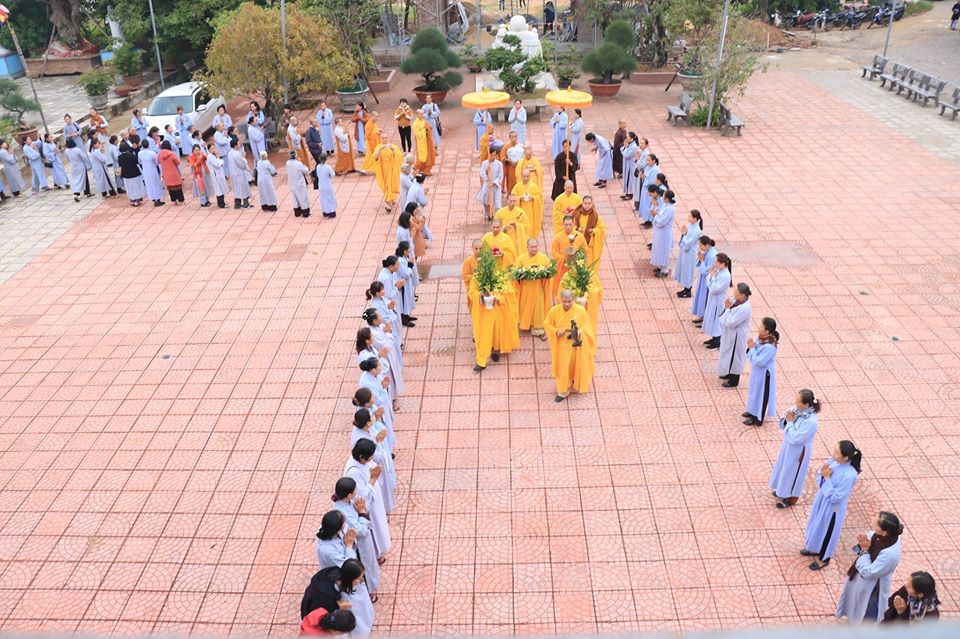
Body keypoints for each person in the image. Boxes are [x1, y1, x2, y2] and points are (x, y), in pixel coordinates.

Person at [802, 440, 863, 570]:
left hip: (832, 509)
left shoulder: (849, 475)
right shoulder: (834, 461)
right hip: (822, 500)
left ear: (845, 458)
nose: (833, 454)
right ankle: (814, 547)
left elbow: (836, 497)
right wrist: (824, 478)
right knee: (817, 525)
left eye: (836, 452)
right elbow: (820, 475)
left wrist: (827, 480)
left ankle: (824, 558)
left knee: (828, 531)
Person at [836, 512, 904, 624]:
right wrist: (862, 542)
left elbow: (869, 573)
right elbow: (867, 543)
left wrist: (864, 550)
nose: (872, 521)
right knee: (855, 601)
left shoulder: (890, 554)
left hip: (873, 587)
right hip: (860, 577)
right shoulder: (879, 535)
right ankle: (852, 621)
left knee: (866, 610)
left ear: (885, 531)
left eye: (876, 522)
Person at [544, 290, 597, 402]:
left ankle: (574, 379)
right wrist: (556, 331)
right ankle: (563, 390)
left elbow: (587, 327)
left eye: (569, 301)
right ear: (560, 299)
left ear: (573, 299)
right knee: (563, 367)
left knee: (575, 364)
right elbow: (547, 324)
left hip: (576, 345)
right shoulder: (554, 311)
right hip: (562, 345)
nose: (567, 304)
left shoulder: (580, 311)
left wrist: (580, 332)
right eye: (564, 301)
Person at [468, 259, 519, 372]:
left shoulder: (500, 276)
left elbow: (508, 292)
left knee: (496, 333)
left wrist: (496, 297)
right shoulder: (476, 278)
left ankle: (495, 350)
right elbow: (472, 294)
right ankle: (481, 361)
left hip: (497, 311)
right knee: (483, 335)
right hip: (483, 313)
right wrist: (482, 295)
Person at [331, 476, 380, 593]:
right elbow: (361, 531)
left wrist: (362, 510)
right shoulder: (343, 512)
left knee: (370, 564)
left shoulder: (349, 500)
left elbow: (364, 504)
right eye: (354, 491)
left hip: (364, 537)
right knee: (365, 566)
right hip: (360, 544)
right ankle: (370, 590)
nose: (356, 492)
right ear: (348, 495)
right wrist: (362, 512)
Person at [741, 317, 779, 425]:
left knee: (761, 394)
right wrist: (752, 348)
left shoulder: (770, 346)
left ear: (767, 331)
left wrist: (752, 348)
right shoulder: (762, 338)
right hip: (757, 372)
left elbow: (759, 361)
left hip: (764, 374)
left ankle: (758, 418)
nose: (759, 327)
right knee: (754, 391)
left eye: (761, 326)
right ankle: (752, 411)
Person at [515, 238, 553, 339]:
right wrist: (521, 273)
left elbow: (550, 270)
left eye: (536, 246)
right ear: (527, 247)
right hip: (526, 290)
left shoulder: (543, 258)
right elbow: (515, 272)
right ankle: (525, 324)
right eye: (532, 247)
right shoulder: (521, 258)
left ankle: (538, 328)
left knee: (538, 309)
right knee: (525, 307)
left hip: (538, 289)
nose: (534, 249)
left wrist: (546, 273)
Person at [716, 282, 752, 387]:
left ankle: (733, 380)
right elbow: (729, 303)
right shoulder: (737, 300)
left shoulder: (745, 308)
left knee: (735, 357)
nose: (734, 294)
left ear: (743, 295)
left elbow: (731, 322)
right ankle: (727, 372)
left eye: (736, 292)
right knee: (727, 353)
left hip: (737, 335)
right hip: (731, 334)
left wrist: (727, 310)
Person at [551, 215, 588, 301]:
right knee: (561, 288)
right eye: (566, 224)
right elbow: (554, 253)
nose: (568, 227)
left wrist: (578, 257)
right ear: (563, 225)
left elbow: (585, 251)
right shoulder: (558, 237)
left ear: (573, 224)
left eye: (570, 224)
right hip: (562, 267)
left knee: (575, 289)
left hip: (576, 267)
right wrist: (564, 258)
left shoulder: (579, 236)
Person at [334, 559, 374, 636]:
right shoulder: (340, 592)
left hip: (364, 611)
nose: (362, 579)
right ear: (350, 578)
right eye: (359, 578)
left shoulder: (358, 583)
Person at [701, 253, 732, 348]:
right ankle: (713, 338)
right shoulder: (718, 270)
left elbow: (715, 289)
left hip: (718, 300)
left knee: (717, 319)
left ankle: (717, 341)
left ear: (723, 264)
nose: (714, 264)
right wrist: (712, 276)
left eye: (716, 262)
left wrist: (713, 277)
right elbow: (708, 281)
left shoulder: (726, 275)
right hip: (713, 298)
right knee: (711, 317)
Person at [674, 210, 704, 298]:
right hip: (685, 251)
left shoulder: (696, 231)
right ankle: (685, 288)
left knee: (688, 271)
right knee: (684, 269)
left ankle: (688, 291)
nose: (688, 218)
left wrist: (684, 234)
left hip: (690, 253)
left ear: (695, 219)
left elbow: (689, 243)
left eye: (690, 217)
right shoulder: (690, 226)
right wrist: (684, 235)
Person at [572, 195, 605, 269]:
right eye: (585, 203)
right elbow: (571, 228)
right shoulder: (577, 215)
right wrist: (577, 230)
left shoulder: (595, 216)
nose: (587, 206)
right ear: (582, 204)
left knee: (589, 266)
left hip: (589, 245)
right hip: (578, 245)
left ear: (592, 204)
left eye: (589, 204)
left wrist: (595, 231)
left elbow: (602, 228)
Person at [691, 236, 717, 321]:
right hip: (703, 279)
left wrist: (701, 260)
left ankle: (705, 317)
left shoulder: (712, 255)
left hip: (708, 280)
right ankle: (702, 314)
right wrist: (700, 259)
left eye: (701, 245)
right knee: (702, 296)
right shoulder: (707, 251)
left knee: (705, 297)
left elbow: (706, 271)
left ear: (707, 245)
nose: (699, 247)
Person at [512, 168, 543, 238]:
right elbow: (512, 198)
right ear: (521, 176)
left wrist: (533, 198)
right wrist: (520, 198)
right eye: (524, 176)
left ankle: (531, 239)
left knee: (530, 226)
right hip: (520, 211)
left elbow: (539, 197)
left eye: (527, 176)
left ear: (530, 176)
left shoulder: (533, 186)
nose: (526, 178)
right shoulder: (517, 186)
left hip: (531, 211)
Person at [284, 150, 313, 219]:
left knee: (295, 197)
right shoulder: (298, 163)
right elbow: (306, 170)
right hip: (299, 182)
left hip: (292, 182)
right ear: (296, 156)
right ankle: (305, 212)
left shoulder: (287, 163)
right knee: (302, 197)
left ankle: (297, 212)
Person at [118, 141, 145, 207]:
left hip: (126, 175)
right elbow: (137, 162)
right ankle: (137, 200)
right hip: (134, 174)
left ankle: (132, 200)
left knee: (129, 188)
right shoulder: (131, 156)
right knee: (136, 187)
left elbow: (120, 164)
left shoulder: (120, 157)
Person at [477, 152, 503, 220]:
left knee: (497, 203)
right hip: (487, 185)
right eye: (491, 156)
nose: (493, 157)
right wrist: (486, 173)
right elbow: (481, 173)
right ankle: (488, 214)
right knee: (486, 201)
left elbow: (500, 175)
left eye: (494, 155)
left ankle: (498, 216)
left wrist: (494, 182)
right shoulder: (485, 163)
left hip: (496, 186)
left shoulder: (499, 164)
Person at [227, 139, 253, 209]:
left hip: (234, 174)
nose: (239, 145)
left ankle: (237, 204)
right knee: (243, 189)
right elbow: (242, 164)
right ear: (235, 145)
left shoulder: (230, 153)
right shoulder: (236, 154)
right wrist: (243, 158)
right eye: (238, 144)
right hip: (239, 174)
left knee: (237, 190)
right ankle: (245, 204)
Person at [411, 110, 436, 177]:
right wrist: (424, 130)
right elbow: (418, 135)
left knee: (429, 155)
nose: (422, 115)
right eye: (421, 114)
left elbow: (428, 127)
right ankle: (416, 168)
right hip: (421, 143)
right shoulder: (415, 124)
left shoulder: (423, 121)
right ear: (417, 114)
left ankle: (426, 171)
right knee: (423, 158)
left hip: (427, 142)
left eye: (423, 114)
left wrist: (428, 128)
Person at [637, 154, 660, 226]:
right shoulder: (649, 167)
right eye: (647, 160)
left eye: (649, 160)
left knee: (649, 205)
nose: (647, 162)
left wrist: (644, 178)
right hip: (645, 189)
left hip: (649, 190)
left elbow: (653, 181)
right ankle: (646, 219)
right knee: (645, 204)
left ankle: (649, 221)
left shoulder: (655, 170)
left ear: (654, 161)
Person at [205, 143, 228, 208]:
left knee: (220, 189)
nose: (213, 150)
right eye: (212, 148)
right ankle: (221, 204)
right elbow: (218, 164)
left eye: (214, 148)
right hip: (216, 176)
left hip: (218, 174)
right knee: (219, 190)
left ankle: (221, 203)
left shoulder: (213, 155)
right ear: (209, 150)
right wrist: (219, 159)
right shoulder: (210, 157)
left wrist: (220, 160)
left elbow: (220, 163)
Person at [500, 130, 521, 195]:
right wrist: (509, 161)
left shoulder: (520, 146)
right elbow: (502, 157)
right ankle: (510, 196)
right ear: (509, 138)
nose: (514, 138)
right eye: (512, 137)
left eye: (515, 137)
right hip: (510, 168)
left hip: (519, 167)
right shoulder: (506, 147)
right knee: (510, 183)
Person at [619, 132, 638, 200]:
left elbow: (627, 155)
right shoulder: (629, 144)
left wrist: (625, 148)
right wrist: (625, 146)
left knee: (630, 180)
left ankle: (630, 194)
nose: (626, 139)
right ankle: (627, 192)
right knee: (626, 179)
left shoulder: (634, 147)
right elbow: (621, 149)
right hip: (626, 165)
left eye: (628, 137)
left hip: (630, 166)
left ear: (632, 138)